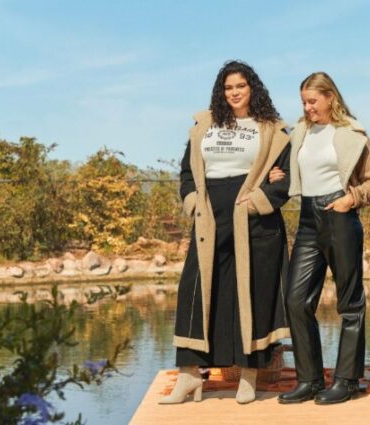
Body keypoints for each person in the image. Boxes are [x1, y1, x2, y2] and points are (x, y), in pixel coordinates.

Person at [160, 60, 291, 405]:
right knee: (195, 289)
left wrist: (258, 201)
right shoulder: (204, 125)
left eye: (240, 86)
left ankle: (249, 374)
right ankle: (189, 375)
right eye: (228, 87)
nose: (234, 93)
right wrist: (192, 201)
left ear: (253, 89)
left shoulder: (271, 129)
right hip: (209, 214)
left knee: (251, 291)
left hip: (252, 216)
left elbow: (287, 176)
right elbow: (187, 172)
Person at [273, 72, 370, 405]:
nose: (307, 108)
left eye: (313, 101)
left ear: (330, 97)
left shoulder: (352, 133)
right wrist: (280, 174)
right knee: (296, 299)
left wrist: (351, 199)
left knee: (350, 302)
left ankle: (347, 380)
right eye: (304, 102)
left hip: (340, 215)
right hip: (308, 218)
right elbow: (294, 170)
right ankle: (310, 380)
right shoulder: (300, 132)